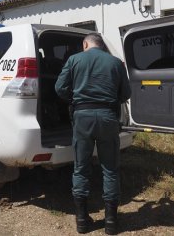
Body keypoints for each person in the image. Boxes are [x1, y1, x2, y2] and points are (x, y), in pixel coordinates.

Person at [55, 33, 131, 235]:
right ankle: (111, 223)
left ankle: (81, 221)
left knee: (81, 168)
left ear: (85, 44)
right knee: (110, 169)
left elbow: (59, 88)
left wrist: (76, 99)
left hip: (82, 117)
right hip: (107, 117)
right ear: (101, 45)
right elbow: (126, 94)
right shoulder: (115, 63)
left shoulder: (74, 60)